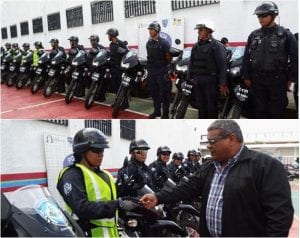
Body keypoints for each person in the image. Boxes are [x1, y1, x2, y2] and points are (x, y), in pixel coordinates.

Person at [140, 120, 294, 237]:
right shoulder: (211, 166)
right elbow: (188, 188)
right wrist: (157, 197)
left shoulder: (265, 166)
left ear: (232, 139)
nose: (208, 146)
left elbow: (280, 216)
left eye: (212, 141)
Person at [57, 128, 135, 237]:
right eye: (96, 150)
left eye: (102, 150)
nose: (101, 154)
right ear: (82, 151)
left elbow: (112, 198)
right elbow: (82, 208)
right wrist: (117, 204)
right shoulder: (72, 175)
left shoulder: (105, 174)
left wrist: (132, 201)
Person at [242, 1, 298, 118]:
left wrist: (291, 79)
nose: (260, 19)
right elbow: (246, 57)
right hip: (257, 80)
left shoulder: (285, 35)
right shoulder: (253, 35)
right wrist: (246, 76)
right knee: (259, 110)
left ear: (273, 15)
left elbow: (294, 58)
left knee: (276, 111)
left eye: (264, 16)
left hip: (277, 80)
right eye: (258, 16)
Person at [189, 21, 228, 118]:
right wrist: (190, 77)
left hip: (211, 80)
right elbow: (191, 62)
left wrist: (222, 83)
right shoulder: (196, 46)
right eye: (198, 30)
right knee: (201, 106)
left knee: (211, 107)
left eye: (201, 30)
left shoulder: (217, 45)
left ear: (209, 31)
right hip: (198, 80)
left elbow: (223, 65)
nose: (198, 32)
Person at [146, 22, 172, 119]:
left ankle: (165, 115)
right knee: (154, 93)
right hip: (152, 72)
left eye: (152, 29)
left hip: (162, 72)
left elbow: (169, 58)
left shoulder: (164, 43)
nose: (150, 31)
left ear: (157, 30)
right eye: (149, 29)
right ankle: (157, 112)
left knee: (164, 95)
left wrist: (164, 67)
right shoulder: (148, 43)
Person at [106, 28, 128, 107]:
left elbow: (127, 54)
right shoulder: (111, 44)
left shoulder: (121, 43)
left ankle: (125, 103)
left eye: (108, 35)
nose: (108, 36)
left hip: (120, 69)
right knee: (115, 86)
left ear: (112, 35)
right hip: (113, 68)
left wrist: (123, 51)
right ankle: (117, 102)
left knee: (122, 86)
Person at [86, 34, 107, 102]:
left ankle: (102, 96)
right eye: (91, 40)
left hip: (100, 69)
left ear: (97, 40)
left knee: (101, 83)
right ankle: (94, 95)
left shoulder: (101, 48)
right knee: (92, 83)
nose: (92, 42)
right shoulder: (91, 49)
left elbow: (106, 54)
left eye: (94, 40)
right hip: (92, 69)